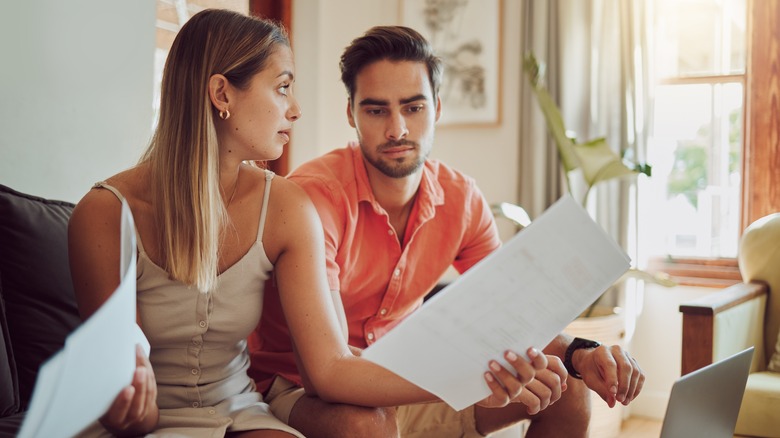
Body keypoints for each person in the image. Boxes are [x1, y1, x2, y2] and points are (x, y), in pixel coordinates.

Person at [68, 10, 548, 438]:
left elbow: (331, 368)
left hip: (238, 409)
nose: (295, 109)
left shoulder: (286, 207)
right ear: (221, 94)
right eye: (282, 88)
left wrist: (474, 373)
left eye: (414, 107)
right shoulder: (105, 214)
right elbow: (119, 400)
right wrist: (129, 411)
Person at [249, 25, 646, 438]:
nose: (397, 129)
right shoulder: (314, 197)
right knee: (365, 424)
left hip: (402, 382)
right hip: (296, 386)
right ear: (351, 113)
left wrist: (582, 354)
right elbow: (325, 375)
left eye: (413, 107)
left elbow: (508, 311)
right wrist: (461, 382)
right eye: (376, 109)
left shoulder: (461, 199)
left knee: (568, 392)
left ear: (436, 107)